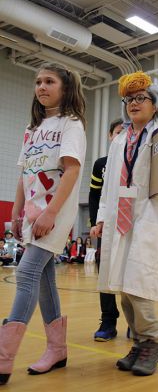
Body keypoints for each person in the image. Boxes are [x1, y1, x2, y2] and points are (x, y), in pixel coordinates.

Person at [91, 71, 158, 376]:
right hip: (120, 218)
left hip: (147, 217)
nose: (133, 103)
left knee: (138, 285)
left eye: (140, 98)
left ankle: (153, 341)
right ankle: (139, 343)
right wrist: (102, 218)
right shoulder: (119, 141)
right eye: (128, 99)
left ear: (155, 103)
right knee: (122, 287)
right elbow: (107, 188)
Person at [0, 62, 86, 385]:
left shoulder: (72, 124)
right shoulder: (31, 129)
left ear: (64, 88)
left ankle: (3, 358)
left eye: (49, 81)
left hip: (55, 210)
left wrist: (51, 213)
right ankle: (58, 349)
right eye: (37, 82)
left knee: (25, 272)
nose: (41, 87)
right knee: (45, 278)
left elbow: (73, 170)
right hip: (33, 210)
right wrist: (16, 209)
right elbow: (24, 174)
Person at [89, 118, 123, 341]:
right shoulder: (101, 164)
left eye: (125, 133)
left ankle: (136, 322)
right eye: (117, 133)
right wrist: (95, 222)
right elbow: (94, 195)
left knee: (130, 273)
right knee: (105, 272)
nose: (121, 137)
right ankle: (108, 319)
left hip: (130, 226)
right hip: (107, 225)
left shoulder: (135, 160)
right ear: (110, 136)